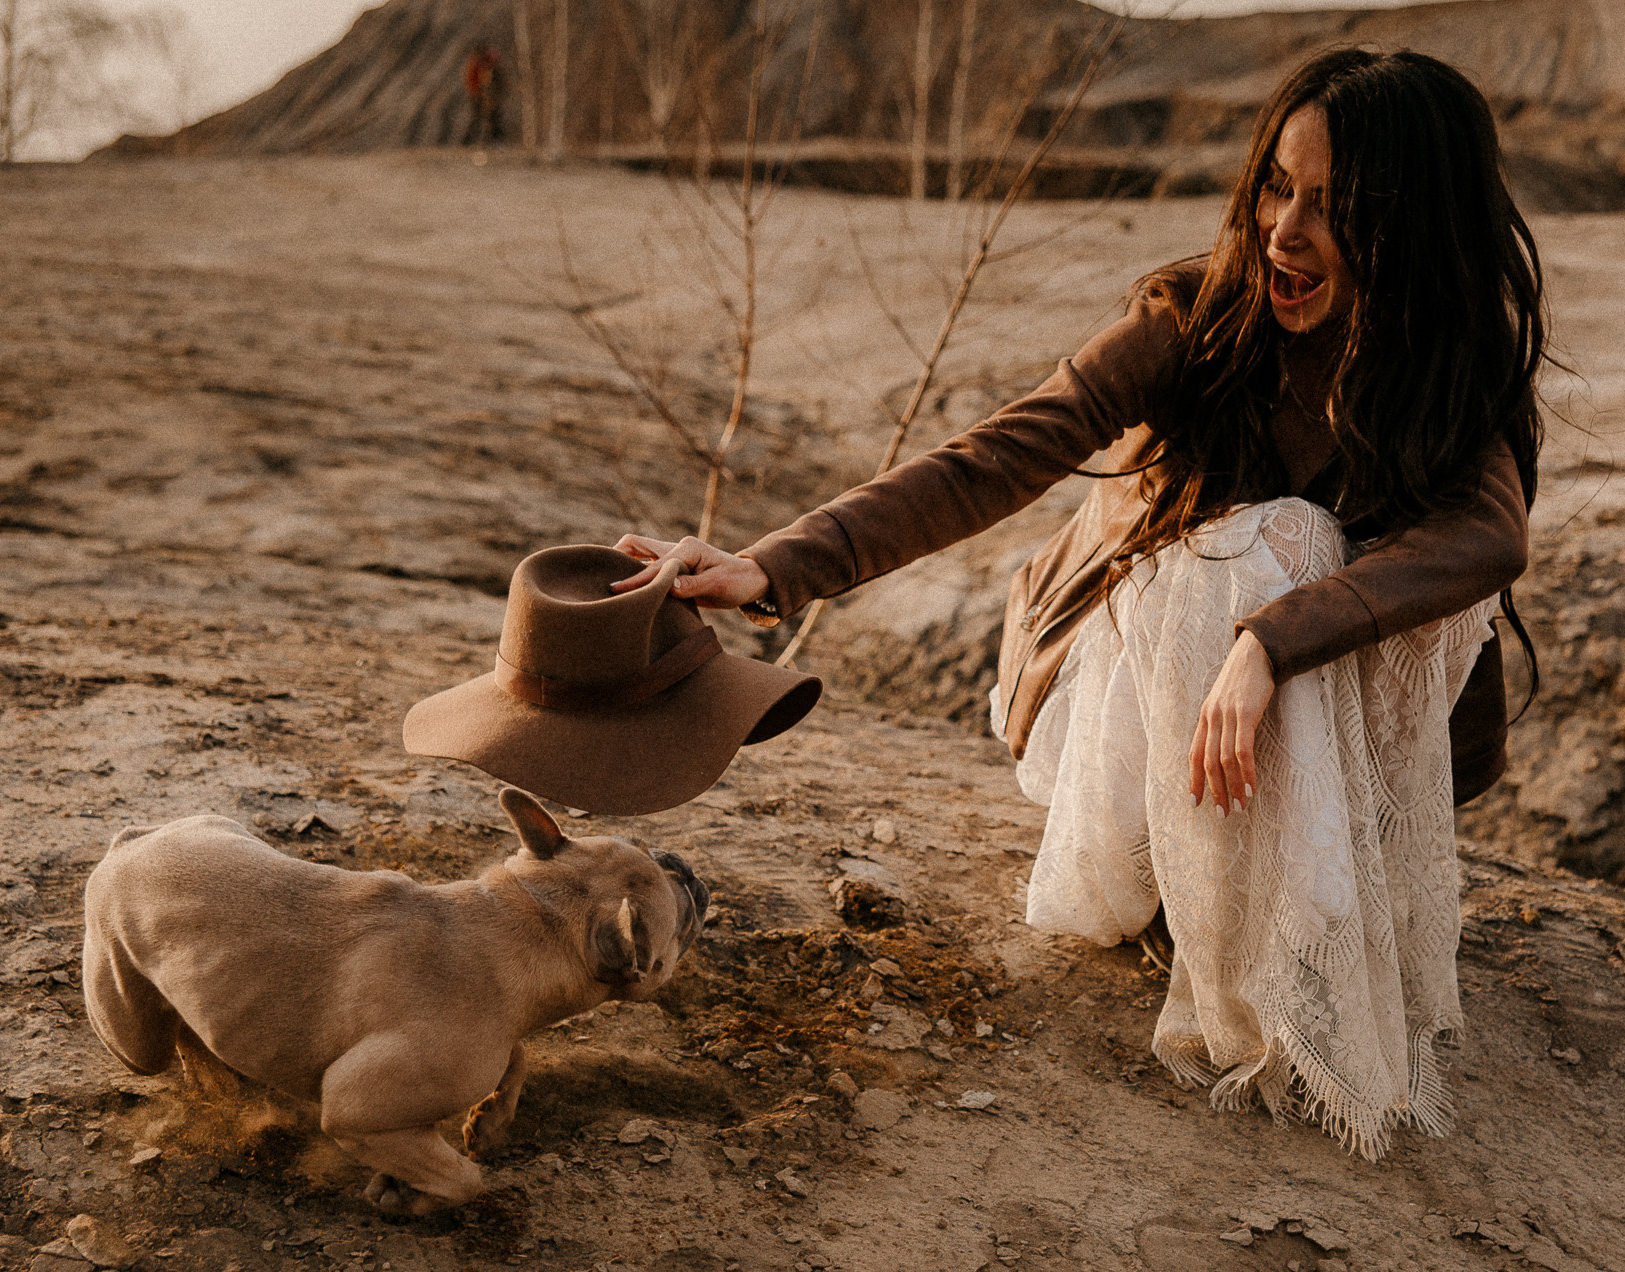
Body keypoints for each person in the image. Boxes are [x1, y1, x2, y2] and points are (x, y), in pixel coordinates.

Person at [611, 48, 1545, 1159]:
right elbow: (999, 454)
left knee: (1349, 568)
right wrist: (774, 566)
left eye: (1333, 210)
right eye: (1272, 188)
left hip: (1254, 713)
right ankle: (1224, 961)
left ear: (1416, 234)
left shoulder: (1444, 376)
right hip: (1113, 707)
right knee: (1273, 539)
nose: (1281, 233)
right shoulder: (1195, 322)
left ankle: (1271, 918)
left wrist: (1268, 645)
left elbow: (1486, 537)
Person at [463, 44, 503, 147]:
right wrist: (479, 93)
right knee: (482, 117)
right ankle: (470, 140)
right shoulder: (478, 65)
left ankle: (483, 140)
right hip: (479, 95)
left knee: (487, 118)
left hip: (481, 95)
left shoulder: (479, 65)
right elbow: (478, 82)